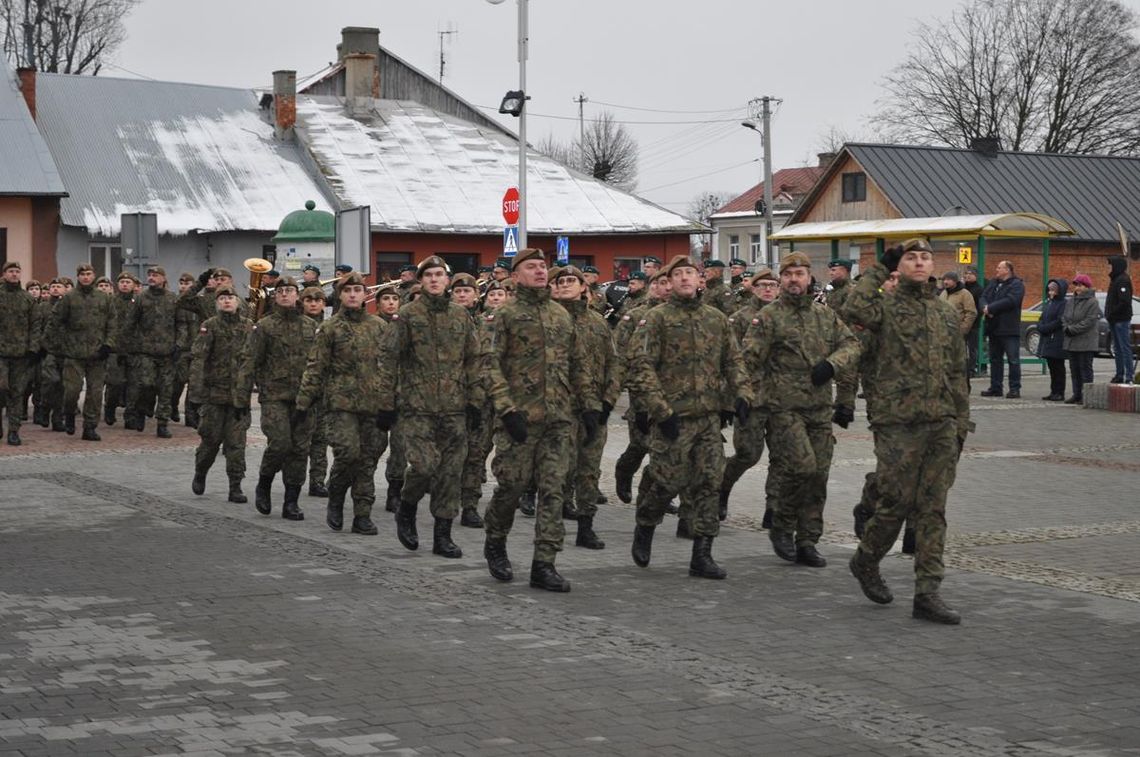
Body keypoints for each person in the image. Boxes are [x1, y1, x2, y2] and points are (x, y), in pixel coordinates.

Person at [845, 238, 973, 625]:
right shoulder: (884, 305)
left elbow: (956, 372)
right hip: (897, 423)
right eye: (911, 257)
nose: (920, 263)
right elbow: (854, 306)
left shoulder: (945, 313)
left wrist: (960, 423)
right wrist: (880, 268)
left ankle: (927, 592)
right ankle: (866, 560)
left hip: (940, 423)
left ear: (934, 265)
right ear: (900, 266)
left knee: (933, 508)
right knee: (895, 504)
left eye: (926, 258)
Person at [482, 249, 601, 592]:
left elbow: (577, 365)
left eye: (542, 266)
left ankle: (544, 563)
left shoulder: (560, 316)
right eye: (531, 267)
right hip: (518, 419)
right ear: (515, 275)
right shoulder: (504, 315)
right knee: (512, 486)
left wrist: (590, 406)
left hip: (558, 419)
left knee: (553, 491)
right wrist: (507, 409)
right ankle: (496, 540)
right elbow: (489, 365)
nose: (539, 271)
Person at [628, 255, 751, 578]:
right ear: (668, 282)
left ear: (701, 281)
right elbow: (642, 368)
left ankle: (702, 553)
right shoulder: (657, 319)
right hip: (672, 418)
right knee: (667, 481)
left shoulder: (716, 319)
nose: (684, 278)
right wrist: (659, 409)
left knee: (710, 482)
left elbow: (733, 361)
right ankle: (645, 524)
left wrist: (741, 396)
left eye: (690, 273)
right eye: (677, 274)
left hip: (708, 418)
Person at [745, 252, 858, 568]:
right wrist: (746, 398)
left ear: (810, 278)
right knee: (802, 467)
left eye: (800, 273)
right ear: (782, 280)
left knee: (818, 475)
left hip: (819, 409)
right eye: (789, 273)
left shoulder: (824, 316)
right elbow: (748, 359)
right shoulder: (768, 317)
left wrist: (831, 365)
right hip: (784, 409)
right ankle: (782, 523)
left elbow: (851, 346)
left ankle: (808, 540)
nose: (794, 279)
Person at [379, 257, 483, 558]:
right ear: (420, 282)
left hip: (454, 408)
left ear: (447, 281)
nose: (435, 280)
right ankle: (407, 507)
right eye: (429, 276)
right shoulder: (408, 315)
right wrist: (386, 403)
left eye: (440, 275)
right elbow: (387, 359)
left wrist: (475, 401)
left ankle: (442, 536)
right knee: (424, 467)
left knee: (450, 474)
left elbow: (474, 360)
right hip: (417, 407)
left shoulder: (461, 317)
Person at [295, 273, 387, 535]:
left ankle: (362, 514)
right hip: (340, 404)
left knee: (367, 460)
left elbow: (390, 366)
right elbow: (316, 367)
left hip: (372, 404)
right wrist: (303, 403)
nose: (353, 295)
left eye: (358, 290)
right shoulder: (329, 328)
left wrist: (392, 402)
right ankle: (336, 496)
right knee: (348, 454)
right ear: (341, 295)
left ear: (365, 294)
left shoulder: (378, 326)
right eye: (348, 291)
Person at [237, 276, 317, 521]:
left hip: (304, 398)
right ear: (275, 295)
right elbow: (250, 361)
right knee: (280, 444)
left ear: (297, 295)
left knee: (300, 450)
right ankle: (264, 483)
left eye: (289, 291)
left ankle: (291, 501)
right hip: (274, 396)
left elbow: (320, 364)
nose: (285, 294)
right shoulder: (265, 326)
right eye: (280, 291)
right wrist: (241, 398)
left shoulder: (310, 326)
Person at [551, 265, 619, 549]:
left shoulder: (597, 323)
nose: (566, 284)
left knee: (589, 469)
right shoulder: (548, 321)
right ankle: (553, 525)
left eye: (572, 281)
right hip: (559, 409)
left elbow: (613, 363)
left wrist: (608, 400)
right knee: (558, 470)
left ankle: (586, 525)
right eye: (561, 281)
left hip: (593, 408)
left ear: (583, 288)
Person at [721, 267, 780, 524]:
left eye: (772, 285)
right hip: (751, 398)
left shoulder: (784, 316)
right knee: (747, 454)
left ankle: (773, 508)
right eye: (763, 285)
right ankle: (720, 490)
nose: (768, 289)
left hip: (782, 399)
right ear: (753, 288)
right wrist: (729, 400)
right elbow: (729, 361)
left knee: (782, 456)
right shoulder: (739, 318)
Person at [189, 285, 253, 501]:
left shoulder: (248, 327)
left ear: (238, 302)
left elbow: (255, 360)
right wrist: (196, 395)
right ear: (217, 303)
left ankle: (235, 486)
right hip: (213, 395)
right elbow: (199, 359)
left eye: (231, 297)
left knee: (236, 444)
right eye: (222, 298)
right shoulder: (210, 326)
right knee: (210, 442)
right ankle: (201, 471)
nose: (227, 301)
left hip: (239, 398)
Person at [613, 269, 671, 504]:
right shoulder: (636, 316)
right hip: (642, 392)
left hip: (673, 392)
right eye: (660, 282)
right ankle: (624, 470)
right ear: (651, 286)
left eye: (669, 282)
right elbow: (622, 354)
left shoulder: (680, 315)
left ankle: (653, 494)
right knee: (641, 444)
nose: (665, 287)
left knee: (666, 447)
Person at [47, 263, 117, 440]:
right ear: (78, 277)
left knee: (95, 393)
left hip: (97, 353)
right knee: (72, 391)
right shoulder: (69, 298)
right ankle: (69, 413)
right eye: (82, 274)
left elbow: (113, 323)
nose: (86, 277)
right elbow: (55, 323)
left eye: (89, 274)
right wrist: (61, 346)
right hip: (74, 354)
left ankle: (90, 427)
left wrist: (108, 344)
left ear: (93, 276)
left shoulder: (104, 298)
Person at [460, 279, 508, 526]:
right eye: (493, 295)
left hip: (497, 399)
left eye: (501, 294)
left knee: (488, 453)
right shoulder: (468, 322)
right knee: (466, 453)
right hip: (467, 398)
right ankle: (461, 503)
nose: (497, 298)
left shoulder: (502, 324)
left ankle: (473, 504)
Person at [123, 265, 179, 438]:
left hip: (168, 352)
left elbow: (180, 324)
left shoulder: (172, 299)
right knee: (146, 385)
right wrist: (127, 348)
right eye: (150, 275)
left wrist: (179, 345)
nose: (152, 278)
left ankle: (162, 423)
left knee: (166, 389)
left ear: (163, 278)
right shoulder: (141, 298)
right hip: (145, 351)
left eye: (155, 275)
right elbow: (130, 324)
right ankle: (141, 410)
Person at [0, 261, 37, 446]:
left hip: (20, 353)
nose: (14, 274)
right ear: (4, 273)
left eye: (17, 271)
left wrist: (33, 348)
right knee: (1, 387)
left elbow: (35, 325)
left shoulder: (27, 299)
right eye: (11, 271)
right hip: (1, 353)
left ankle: (14, 431)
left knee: (17, 392)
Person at [300, 285, 332, 497]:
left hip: (325, 391)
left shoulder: (331, 327)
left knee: (321, 439)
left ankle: (317, 481)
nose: (313, 303)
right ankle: (294, 479)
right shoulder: (297, 325)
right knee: (300, 440)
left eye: (317, 300)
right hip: (301, 389)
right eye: (308, 300)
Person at [979, 260, 1025, 398]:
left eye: (999, 267)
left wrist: (991, 308)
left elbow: (1012, 301)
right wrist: (985, 308)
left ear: (1007, 270)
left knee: (1013, 359)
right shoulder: (993, 283)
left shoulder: (1017, 285)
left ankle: (1014, 388)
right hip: (993, 327)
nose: (996, 270)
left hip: (1009, 328)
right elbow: (983, 297)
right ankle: (995, 387)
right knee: (995, 359)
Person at [103, 272, 136, 427]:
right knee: (114, 383)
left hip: (134, 349)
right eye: (122, 281)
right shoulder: (110, 301)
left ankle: (130, 416)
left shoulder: (138, 302)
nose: (125, 284)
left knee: (133, 385)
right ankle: (109, 408)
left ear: (133, 285)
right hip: (115, 349)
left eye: (128, 282)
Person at [1062, 274, 1100, 404]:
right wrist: (1066, 327)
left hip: (1086, 341)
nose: (1077, 288)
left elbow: (1089, 321)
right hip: (1072, 341)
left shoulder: (1092, 302)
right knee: (1074, 369)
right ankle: (1076, 393)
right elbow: (1065, 317)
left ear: (1087, 286)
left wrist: (1072, 329)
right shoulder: (1071, 301)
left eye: (1080, 285)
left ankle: (1087, 395)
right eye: (1076, 285)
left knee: (1085, 369)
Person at [940, 270, 978, 389]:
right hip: (943, 333)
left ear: (955, 281)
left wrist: (962, 330)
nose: (945, 282)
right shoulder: (943, 294)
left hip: (957, 333)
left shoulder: (964, 294)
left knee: (960, 361)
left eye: (948, 280)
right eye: (944, 279)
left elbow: (971, 313)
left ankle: (964, 386)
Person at [172, 272, 199, 426]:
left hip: (196, 347)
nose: (184, 286)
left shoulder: (198, 303)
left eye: (187, 283)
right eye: (181, 283)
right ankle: (173, 405)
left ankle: (190, 415)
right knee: (179, 380)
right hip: (180, 348)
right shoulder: (175, 302)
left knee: (194, 383)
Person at [1035, 278, 1069, 401]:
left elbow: (1059, 321)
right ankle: (1053, 391)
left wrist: (1046, 328)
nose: (1051, 292)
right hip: (1048, 339)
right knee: (1052, 367)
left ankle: (1060, 392)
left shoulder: (1063, 304)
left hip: (1057, 339)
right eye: (1049, 290)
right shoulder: (1049, 303)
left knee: (1058, 367)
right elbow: (1042, 317)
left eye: (1053, 290)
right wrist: (1040, 326)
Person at [1105, 255, 1134, 383]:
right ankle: (1119, 374)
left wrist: (1112, 313)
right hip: (1114, 320)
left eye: (1110, 264)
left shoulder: (1122, 280)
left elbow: (1124, 301)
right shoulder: (1115, 279)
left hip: (1121, 320)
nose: (1108, 267)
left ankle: (1129, 376)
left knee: (1124, 347)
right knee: (1117, 348)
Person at [961, 267, 983, 376]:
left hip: (974, 324)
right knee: (961, 347)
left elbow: (979, 308)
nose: (968, 276)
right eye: (966, 273)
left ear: (976, 276)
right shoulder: (962, 288)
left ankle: (972, 369)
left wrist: (975, 319)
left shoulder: (979, 289)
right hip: (961, 323)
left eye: (971, 273)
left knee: (972, 348)